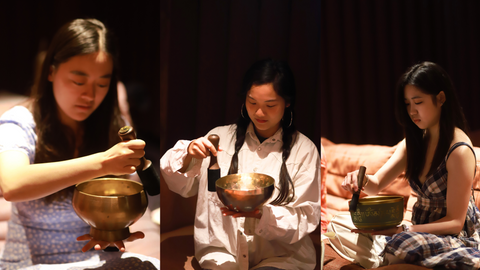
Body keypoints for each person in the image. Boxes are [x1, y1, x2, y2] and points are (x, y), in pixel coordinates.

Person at [0, 19, 158, 269]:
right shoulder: (19, 121)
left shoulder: (113, 125)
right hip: (30, 263)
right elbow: (11, 184)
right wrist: (103, 162)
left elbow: (127, 194)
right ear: (51, 72)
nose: (90, 96)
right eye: (78, 81)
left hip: (93, 260)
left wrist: (113, 228)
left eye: (102, 84)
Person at [160, 58, 321, 270]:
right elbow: (180, 185)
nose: (259, 113)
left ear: (287, 102)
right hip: (221, 252)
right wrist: (189, 155)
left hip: (282, 257)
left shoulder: (305, 150)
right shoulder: (219, 138)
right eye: (252, 102)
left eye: (270, 105)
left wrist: (262, 216)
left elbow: (307, 217)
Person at [328, 61, 480, 269]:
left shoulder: (459, 151)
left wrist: (403, 231)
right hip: (413, 232)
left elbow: (455, 222)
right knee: (337, 224)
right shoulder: (415, 142)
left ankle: (388, 254)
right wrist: (360, 179)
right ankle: (388, 255)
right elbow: (376, 185)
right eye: (407, 104)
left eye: (418, 102)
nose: (412, 111)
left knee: (401, 241)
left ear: (441, 98)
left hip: (450, 236)